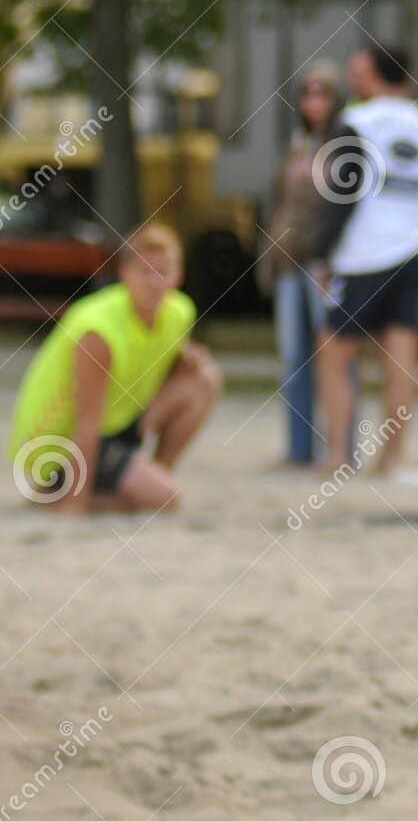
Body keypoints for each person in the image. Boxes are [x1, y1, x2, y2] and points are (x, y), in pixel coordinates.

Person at [9, 224, 222, 512]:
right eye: (145, 272)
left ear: (179, 275)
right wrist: (76, 508)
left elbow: (161, 356)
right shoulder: (99, 331)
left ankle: (149, 477)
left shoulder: (179, 311)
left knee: (204, 378)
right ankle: (56, 499)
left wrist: (186, 357)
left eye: (163, 271)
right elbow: (87, 421)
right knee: (167, 499)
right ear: (125, 274)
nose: (154, 282)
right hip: (57, 444)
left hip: (114, 423)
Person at [310, 43, 418, 475]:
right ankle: (392, 457)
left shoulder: (355, 121)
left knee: (333, 352)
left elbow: (343, 194)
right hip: (413, 248)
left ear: (374, 75)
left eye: (358, 71)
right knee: (401, 355)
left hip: (362, 253)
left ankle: (337, 455)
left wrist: (321, 253)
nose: (353, 79)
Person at [259, 63, 342, 467]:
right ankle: (299, 448)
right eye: (308, 95)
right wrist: (267, 258)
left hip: (321, 264)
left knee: (333, 357)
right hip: (288, 263)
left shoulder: (342, 146)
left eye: (323, 94)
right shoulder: (295, 147)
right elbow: (276, 207)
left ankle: (339, 444)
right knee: (294, 357)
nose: (314, 103)